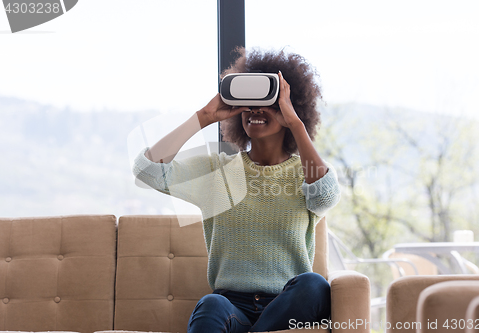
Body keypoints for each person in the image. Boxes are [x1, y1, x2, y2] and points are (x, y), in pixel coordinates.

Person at [133, 47, 341, 332]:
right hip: (231, 307)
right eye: (248, 101)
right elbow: (147, 170)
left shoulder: (305, 172)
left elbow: (327, 196)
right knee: (211, 305)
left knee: (315, 285)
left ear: (288, 105)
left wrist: (294, 123)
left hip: (287, 303)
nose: (255, 109)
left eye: (267, 101)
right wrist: (203, 116)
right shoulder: (216, 171)